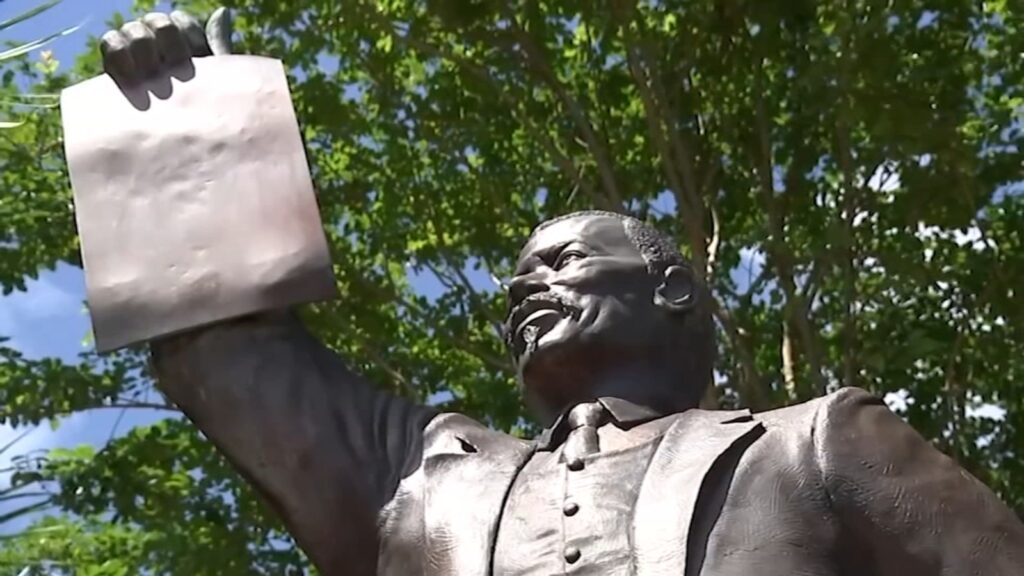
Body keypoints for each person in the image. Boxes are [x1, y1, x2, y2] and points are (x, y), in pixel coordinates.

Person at [97, 10, 1024, 576]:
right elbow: (222, 348)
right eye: (514, 280)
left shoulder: (812, 443)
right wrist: (193, 128)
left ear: (670, 289)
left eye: (563, 262)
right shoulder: (420, 479)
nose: (521, 288)